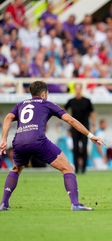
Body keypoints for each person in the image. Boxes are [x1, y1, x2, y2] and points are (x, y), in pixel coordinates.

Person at [0, 81, 106, 211]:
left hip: (19, 141)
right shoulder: (47, 104)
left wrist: (3, 139)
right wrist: (90, 135)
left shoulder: (21, 105)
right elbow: (70, 120)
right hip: (37, 140)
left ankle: (4, 204)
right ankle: (75, 204)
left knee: (16, 169)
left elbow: (8, 117)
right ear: (44, 94)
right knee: (68, 168)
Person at [64, 83, 95, 174]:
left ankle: (84, 169)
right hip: (74, 128)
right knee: (76, 148)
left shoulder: (87, 101)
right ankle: (76, 169)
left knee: (84, 148)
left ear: (81, 89)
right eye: (76, 88)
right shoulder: (71, 101)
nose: (77, 90)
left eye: (79, 88)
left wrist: (93, 125)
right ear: (74, 89)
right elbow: (63, 110)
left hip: (85, 127)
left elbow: (92, 113)